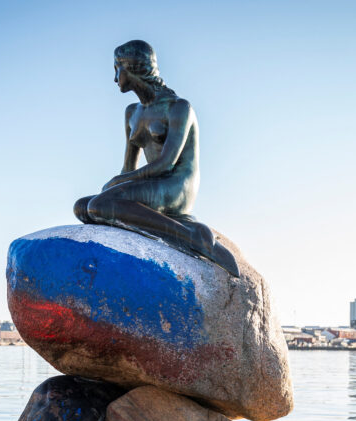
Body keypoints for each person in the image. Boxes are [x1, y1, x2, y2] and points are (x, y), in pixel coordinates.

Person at [74, 40, 239, 277]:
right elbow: (128, 167)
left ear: (131, 67)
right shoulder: (131, 112)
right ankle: (172, 228)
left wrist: (118, 184)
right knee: (83, 207)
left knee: (99, 205)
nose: (114, 78)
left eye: (116, 69)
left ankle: (194, 236)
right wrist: (115, 183)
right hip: (151, 184)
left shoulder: (179, 108)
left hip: (175, 185)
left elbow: (167, 163)